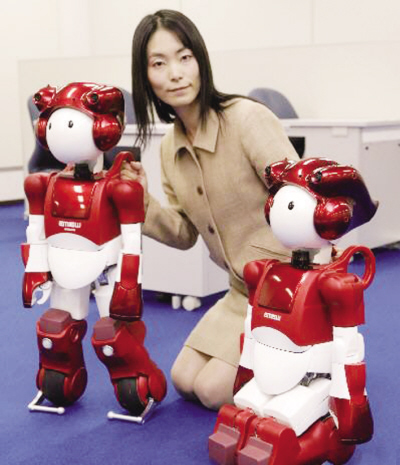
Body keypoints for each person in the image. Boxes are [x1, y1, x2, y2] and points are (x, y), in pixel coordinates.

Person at [122, 9, 299, 410]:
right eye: (158, 63)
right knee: (184, 379)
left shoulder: (246, 118)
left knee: (212, 390)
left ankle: (309, 362)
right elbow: (185, 234)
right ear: (145, 77)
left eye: (184, 57)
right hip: (241, 290)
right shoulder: (170, 148)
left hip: (287, 285)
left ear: (200, 60)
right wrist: (142, 201)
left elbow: (302, 198)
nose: (175, 74)